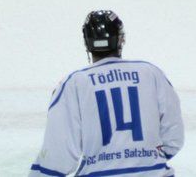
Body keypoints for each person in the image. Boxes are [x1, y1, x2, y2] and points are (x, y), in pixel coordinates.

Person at [27, 10, 184, 177]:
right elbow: (174, 136)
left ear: (87, 43)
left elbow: (58, 155)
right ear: (121, 39)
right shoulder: (151, 73)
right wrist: (146, 161)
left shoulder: (74, 83)